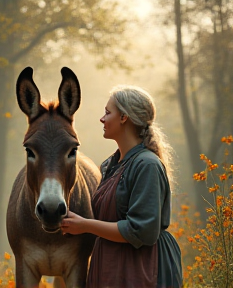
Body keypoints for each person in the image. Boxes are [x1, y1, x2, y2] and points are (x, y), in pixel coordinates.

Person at [61, 85, 183, 288]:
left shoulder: (147, 165)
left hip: (141, 269)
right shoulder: (110, 165)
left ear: (124, 117)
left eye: (108, 113)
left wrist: (85, 225)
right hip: (110, 266)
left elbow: (141, 231)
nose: (102, 119)